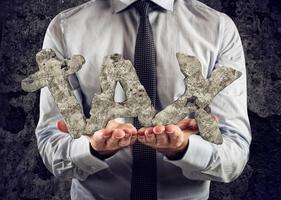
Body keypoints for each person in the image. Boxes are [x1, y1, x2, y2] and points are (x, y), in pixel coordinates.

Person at [36, 0, 252, 199]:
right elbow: (52, 143)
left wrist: (184, 149)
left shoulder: (218, 29)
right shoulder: (66, 28)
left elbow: (234, 153)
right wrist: (91, 150)